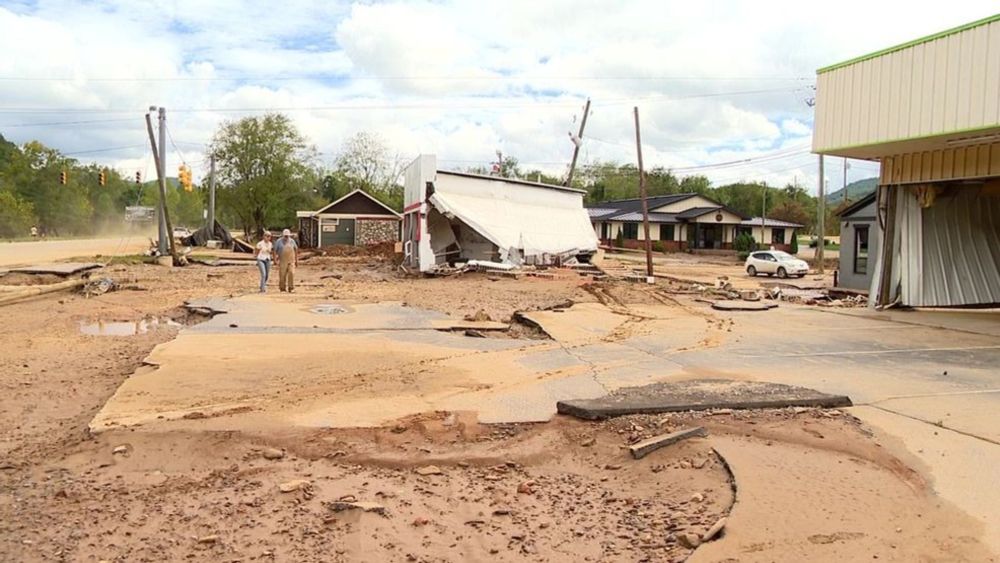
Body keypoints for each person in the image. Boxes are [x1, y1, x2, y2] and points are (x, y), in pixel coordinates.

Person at [275, 228, 298, 292]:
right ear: (283, 235)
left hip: (291, 260)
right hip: (282, 260)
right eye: (285, 236)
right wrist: (275, 260)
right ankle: (282, 288)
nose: (286, 237)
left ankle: (291, 288)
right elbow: (274, 250)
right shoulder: (278, 241)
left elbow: (296, 249)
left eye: (287, 236)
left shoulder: (292, 241)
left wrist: (296, 260)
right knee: (282, 274)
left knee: (291, 273)